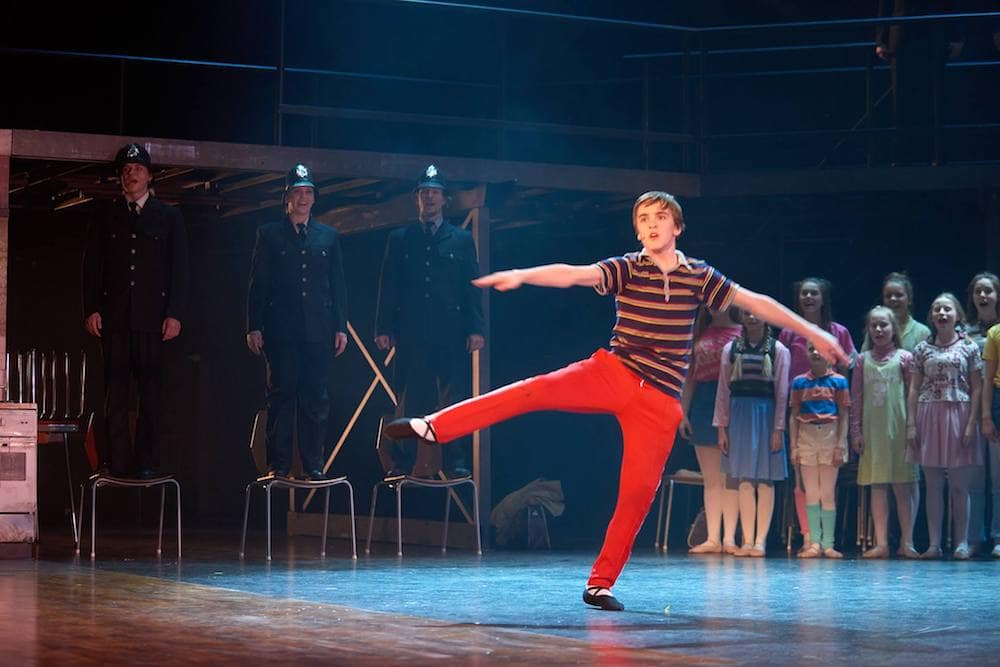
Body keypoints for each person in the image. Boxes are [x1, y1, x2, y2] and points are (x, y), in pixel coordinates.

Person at [383, 191, 848, 611]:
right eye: (643, 219)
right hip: (615, 373)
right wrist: (524, 275)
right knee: (534, 389)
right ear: (637, 230)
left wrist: (814, 333)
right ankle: (435, 425)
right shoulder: (628, 267)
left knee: (637, 494)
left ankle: (600, 584)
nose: (651, 225)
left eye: (660, 217)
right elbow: (575, 274)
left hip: (660, 400)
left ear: (677, 226)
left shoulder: (698, 275)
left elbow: (756, 302)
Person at [82, 143, 189, 479]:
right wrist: (92, 308)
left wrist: (175, 312)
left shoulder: (168, 216)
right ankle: (117, 462)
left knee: (151, 395)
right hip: (115, 318)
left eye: (138, 169)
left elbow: (180, 268)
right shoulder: (107, 214)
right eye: (126, 170)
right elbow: (92, 266)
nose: (132, 175)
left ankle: (146, 462)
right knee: (115, 394)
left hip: (152, 318)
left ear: (149, 176)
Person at [374, 165, 485, 479]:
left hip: (450, 332)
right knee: (409, 398)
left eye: (435, 193)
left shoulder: (460, 240)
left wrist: (476, 328)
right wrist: (383, 327)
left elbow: (471, 286)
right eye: (425, 193)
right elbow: (389, 285)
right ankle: (403, 461)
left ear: (444, 199)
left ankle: (455, 460)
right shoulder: (401, 238)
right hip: (412, 332)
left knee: (452, 399)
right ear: (417, 198)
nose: (430, 198)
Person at [246, 164, 348, 480]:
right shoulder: (270, 234)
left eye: (308, 192)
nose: (303, 198)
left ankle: (313, 464)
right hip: (281, 330)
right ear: (287, 196)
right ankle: (278, 464)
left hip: (318, 329)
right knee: (281, 396)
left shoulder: (327, 236)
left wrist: (341, 326)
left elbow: (337, 285)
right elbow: (258, 283)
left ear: (314, 198)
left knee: (315, 397)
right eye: (297, 192)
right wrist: (254, 324)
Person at [779, 277, 857, 552]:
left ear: (823, 298)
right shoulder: (789, 332)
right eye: (804, 293)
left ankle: (827, 541)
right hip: (801, 415)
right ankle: (809, 538)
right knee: (804, 486)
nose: (809, 298)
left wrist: (844, 435)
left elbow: (846, 371)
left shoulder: (839, 332)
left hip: (831, 420)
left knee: (827, 489)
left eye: (814, 293)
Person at [907, 293, 983, 560]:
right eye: (937, 308)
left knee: (960, 486)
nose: (941, 313)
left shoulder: (969, 347)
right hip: (929, 414)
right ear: (932, 315)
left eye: (947, 309)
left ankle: (961, 542)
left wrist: (971, 422)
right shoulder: (922, 349)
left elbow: (976, 388)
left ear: (957, 315)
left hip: (958, 413)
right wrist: (911, 423)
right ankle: (934, 544)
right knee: (934, 484)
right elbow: (914, 388)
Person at [715, 311, 791, 558]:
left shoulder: (778, 350)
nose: (752, 317)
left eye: (756, 314)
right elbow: (723, 391)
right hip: (739, 416)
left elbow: (782, 394)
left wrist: (778, 429)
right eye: (747, 314)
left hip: (766, 416)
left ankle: (760, 541)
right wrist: (722, 428)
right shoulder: (731, 349)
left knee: (765, 479)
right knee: (744, 479)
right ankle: (747, 540)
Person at [852, 306, 920, 559]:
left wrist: (913, 426)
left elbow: (912, 396)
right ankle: (881, 543)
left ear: (894, 328)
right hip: (873, 433)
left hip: (899, 431)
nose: (879, 330)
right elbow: (856, 398)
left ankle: (907, 542)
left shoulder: (905, 358)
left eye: (884, 325)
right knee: (878, 486)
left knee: (903, 487)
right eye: (874, 325)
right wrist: (856, 433)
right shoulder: (862, 360)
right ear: (868, 330)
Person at [679, 306, 742, 555]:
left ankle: (730, 538)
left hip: (732, 402)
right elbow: (690, 378)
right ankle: (713, 538)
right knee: (712, 479)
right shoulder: (699, 334)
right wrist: (683, 413)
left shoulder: (740, 333)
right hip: (704, 402)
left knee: (731, 478)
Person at [790, 343, 851, 559]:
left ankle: (828, 544)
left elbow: (844, 415)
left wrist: (841, 444)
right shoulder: (799, 382)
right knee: (812, 493)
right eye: (811, 349)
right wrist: (794, 446)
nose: (815, 353)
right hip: (806, 436)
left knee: (827, 493)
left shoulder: (839, 381)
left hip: (829, 435)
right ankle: (814, 543)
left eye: (820, 349)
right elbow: (793, 416)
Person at [964, 272, 1000, 554]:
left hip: (993, 404)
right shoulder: (964, 329)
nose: (983, 296)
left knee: (998, 478)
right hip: (969, 409)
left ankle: (998, 535)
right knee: (974, 478)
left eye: (988, 291)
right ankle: (974, 537)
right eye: (978, 291)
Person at [861, 271, 931, 352]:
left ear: (909, 299)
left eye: (899, 295)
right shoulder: (876, 330)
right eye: (888, 296)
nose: (893, 299)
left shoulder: (922, 332)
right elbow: (864, 356)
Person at [982, 321, 1000, 557]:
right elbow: (987, 379)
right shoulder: (995, 333)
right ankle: (998, 535)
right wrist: (986, 416)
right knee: (998, 479)